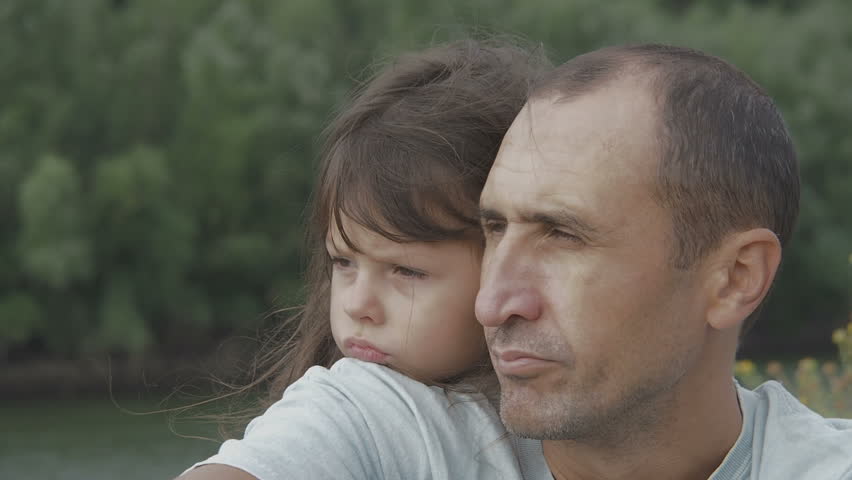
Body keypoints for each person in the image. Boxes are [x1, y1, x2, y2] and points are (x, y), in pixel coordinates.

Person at [475, 43, 852, 479]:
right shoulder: (422, 448)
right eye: (495, 228)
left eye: (563, 235)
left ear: (735, 278)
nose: (489, 305)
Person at [178, 38, 549, 480]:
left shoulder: (571, 410)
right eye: (343, 262)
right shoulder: (357, 407)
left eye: (407, 271)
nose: (358, 305)